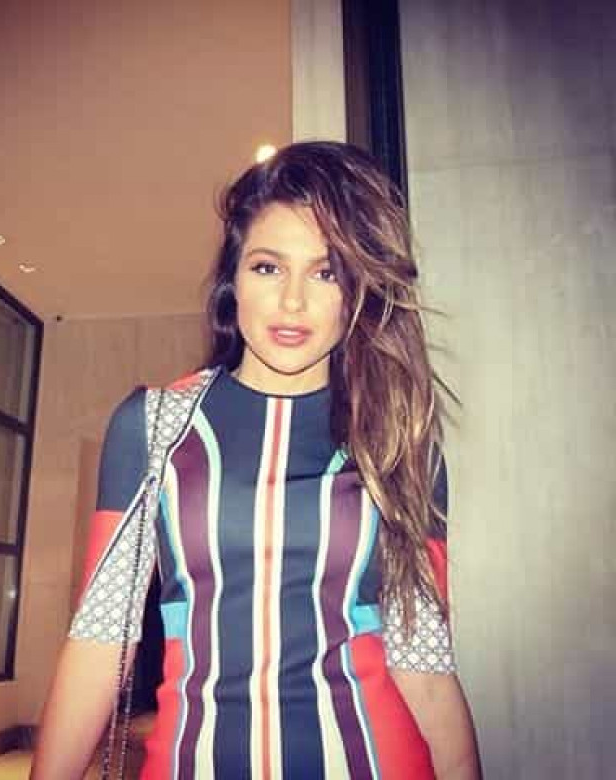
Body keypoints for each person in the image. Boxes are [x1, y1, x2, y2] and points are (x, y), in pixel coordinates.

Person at [31, 141, 482, 779]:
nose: (292, 301)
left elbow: (426, 667)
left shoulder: (398, 442)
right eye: (269, 267)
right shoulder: (153, 427)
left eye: (326, 273)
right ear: (233, 280)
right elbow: (101, 640)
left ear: (357, 292)